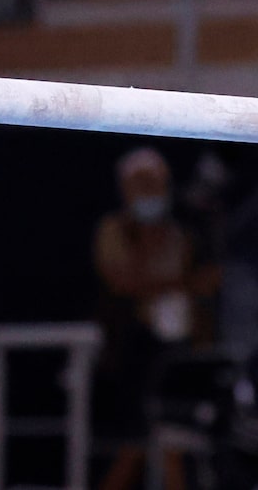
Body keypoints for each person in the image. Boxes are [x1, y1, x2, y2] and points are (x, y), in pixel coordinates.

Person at [92, 147, 219, 490]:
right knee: (134, 448)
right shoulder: (114, 230)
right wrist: (179, 282)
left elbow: (205, 286)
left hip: (178, 349)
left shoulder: (182, 234)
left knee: (175, 445)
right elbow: (121, 282)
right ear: (126, 189)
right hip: (134, 349)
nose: (149, 192)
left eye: (154, 183)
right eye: (140, 184)